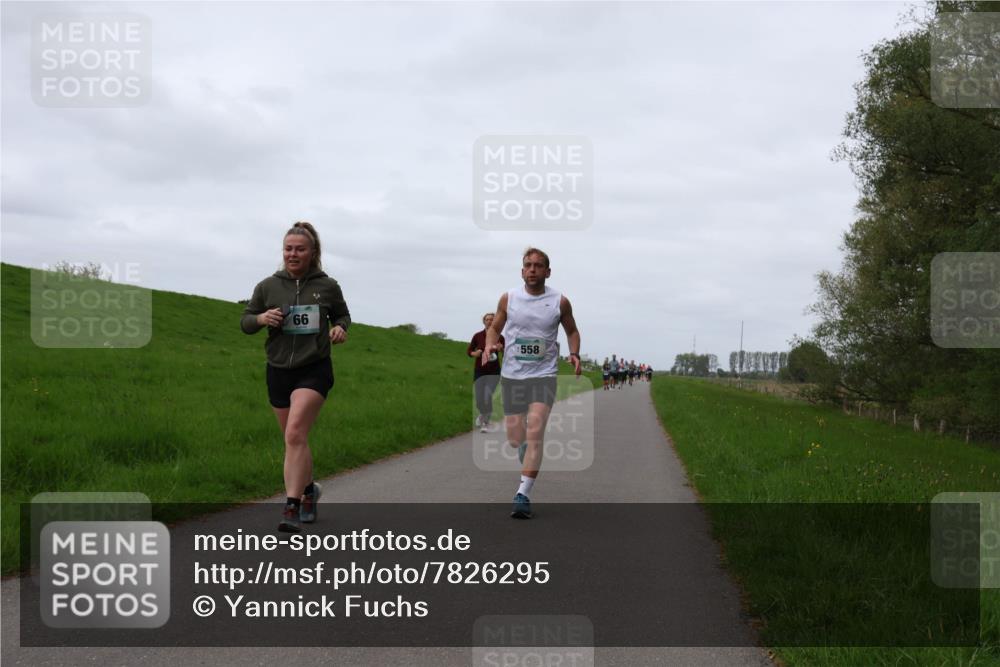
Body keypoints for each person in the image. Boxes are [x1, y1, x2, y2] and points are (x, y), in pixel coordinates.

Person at [241, 221, 351, 533]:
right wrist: (261, 318)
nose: (292, 254)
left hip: (313, 367)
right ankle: (308, 492)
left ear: (312, 252)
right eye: (288, 248)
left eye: (300, 249)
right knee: (294, 439)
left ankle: (290, 507)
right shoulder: (268, 286)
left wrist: (340, 327)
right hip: (277, 369)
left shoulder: (327, 286)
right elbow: (245, 322)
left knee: (294, 434)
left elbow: (343, 314)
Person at [483, 248, 581, 519]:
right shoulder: (509, 298)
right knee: (517, 440)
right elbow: (495, 327)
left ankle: (523, 494)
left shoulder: (560, 301)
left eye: (538, 265)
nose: (532, 269)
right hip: (513, 375)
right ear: (522, 271)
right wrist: (490, 344)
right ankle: (526, 453)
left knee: (535, 432)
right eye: (528, 265)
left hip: (543, 375)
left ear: (547, 272)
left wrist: (574, 353)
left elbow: (572, 330)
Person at [468, 312, 504, 432]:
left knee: (487, 395)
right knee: (479, 398)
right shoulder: (477, 336)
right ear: (484, 322)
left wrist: (501, 349)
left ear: (495, 322)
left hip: (494, 372)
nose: (489, 321)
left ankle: (485, 422)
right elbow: (469, 351)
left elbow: (507, 353)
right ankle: (483, 414)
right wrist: (475, 353)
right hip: (480, 370)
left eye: (492, 319)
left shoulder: (500, 337)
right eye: (487, 319)